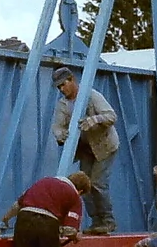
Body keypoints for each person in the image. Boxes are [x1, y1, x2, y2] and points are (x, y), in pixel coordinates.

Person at [51, 67, 119, 234]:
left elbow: (111, 116)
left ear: (72, 79)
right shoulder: (63, 105)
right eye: (59, 87)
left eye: (63, 84)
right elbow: (57, 126)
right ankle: (96, 221)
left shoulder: (91, 95)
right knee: (84, 186)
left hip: (104, 147)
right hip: (86, 149)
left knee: (98, 183)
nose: (62, 89)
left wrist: (94, 120)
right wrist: (61, 134)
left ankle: (108, 221)